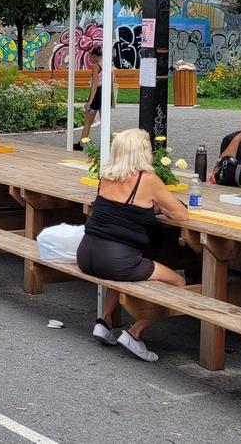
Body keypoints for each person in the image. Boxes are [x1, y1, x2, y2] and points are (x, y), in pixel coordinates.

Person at [76, 128, 189, 362]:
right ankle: (135, 332)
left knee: (118, 278)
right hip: (117, 259)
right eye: (148, 147)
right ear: (141, 152)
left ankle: (104, 322)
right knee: (178, 281)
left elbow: (120, 208)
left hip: (87, 253)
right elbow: (181, 214)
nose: (152, 151)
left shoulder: (106, 175)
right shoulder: (147, 179)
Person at [74, 46, 103, 151]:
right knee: (105, 121)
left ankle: (81, 144)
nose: (90, 59)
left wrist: (90, 101)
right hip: (105, 93)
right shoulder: (108, 64)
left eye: (91, 57)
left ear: (94, 56)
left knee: (87, 121)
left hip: (97, 95)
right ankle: (111, 144)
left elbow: (95, 84)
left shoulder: (96, 66)